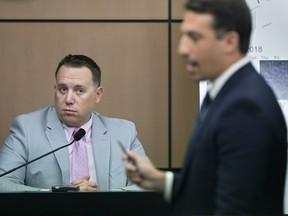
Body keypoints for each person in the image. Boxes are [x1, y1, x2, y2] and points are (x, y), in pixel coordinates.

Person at [123, 0, 287, 215]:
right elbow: (212, 186)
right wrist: (160, 180)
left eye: (194, 37)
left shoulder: (244, 107)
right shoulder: (228, 93)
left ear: (229, 41)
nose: (182, 48)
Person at [0, 54, 147, 192]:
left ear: (98, 95)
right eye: (63, 89)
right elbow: (3, 182)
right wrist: (55, 195)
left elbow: (148, 185)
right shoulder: (26, 129)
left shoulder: (124, 133)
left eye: (79, 90)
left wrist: (102, 198)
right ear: (55, 89)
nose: (69, 99)